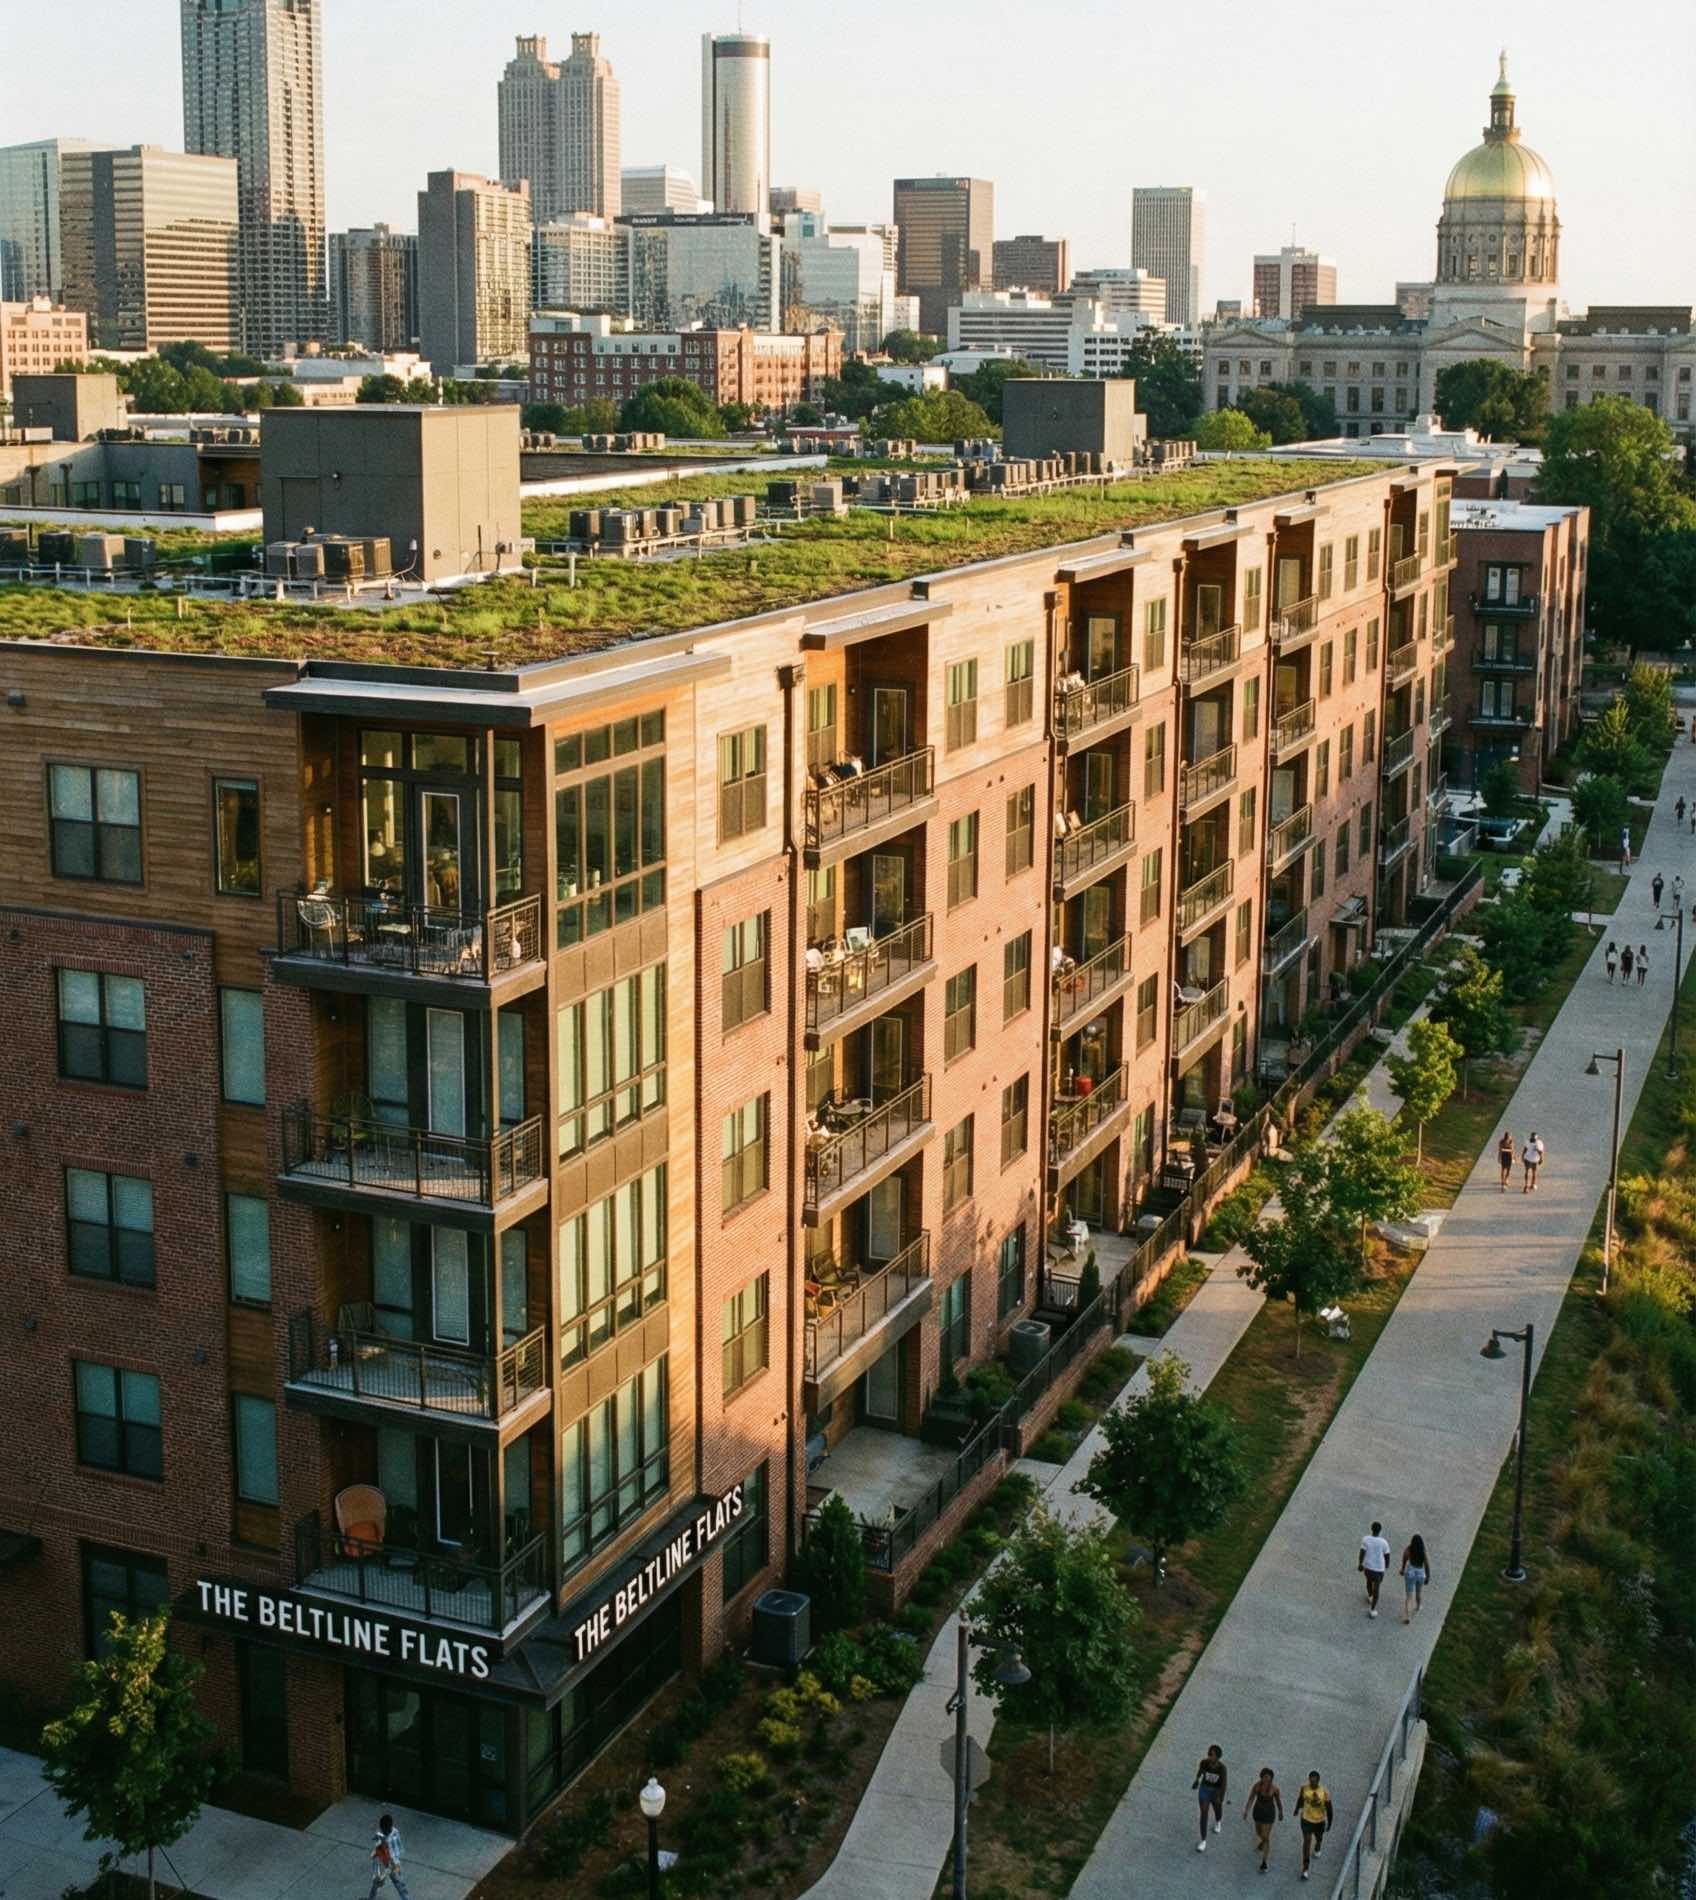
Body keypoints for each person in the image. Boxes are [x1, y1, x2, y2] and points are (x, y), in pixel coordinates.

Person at [1244, 1767, 1283, 1874]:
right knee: (1258, 1832)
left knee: (1266, 1837)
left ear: (1271, 1778)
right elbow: (1251, 1798)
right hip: (1258, 1812)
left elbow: (1278, 1801)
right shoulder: (1257, 1786)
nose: (1266, 1779)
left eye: (1268, 1777)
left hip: (1269, 1814)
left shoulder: (1274, 1789)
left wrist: (1280, 1812)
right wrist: (1247, 1810)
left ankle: (1264, 1862)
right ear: (1261, 1777)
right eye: (1264, 1777)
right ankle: (1262, 1841)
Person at [1296, 1772, 1334, 1881]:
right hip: (1306, 1819)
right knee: (1307, 1841)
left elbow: (1330, 1809)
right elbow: (1300, 1799)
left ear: (1318, 1781)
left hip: (1319, 1821)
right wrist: (1297, 1808)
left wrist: (1330, 1823)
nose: (1312, 1783)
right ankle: (1305, 1868)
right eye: (1311, 1780)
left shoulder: (1324, 1793)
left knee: (1318, 1838)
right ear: (1308, 1780)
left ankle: (1318, 1845)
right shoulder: (1304, 1788)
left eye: (1314, 1781)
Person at [1193, 1743, 1228, 1850]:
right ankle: (1203, 1841)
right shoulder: (1204, 1762)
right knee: (1204, 1813)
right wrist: (1197, 1780)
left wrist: (1221, 1797)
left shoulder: (1222, 1768)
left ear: (1217, 1757)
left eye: (1211, 1754)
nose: (1209, 1756)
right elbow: (1200, 1771)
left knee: (1217, 1809)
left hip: (1216, 1791)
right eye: (1208, 1753)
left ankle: (1218, 1821)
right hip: (1204, 1789)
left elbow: (1224, 1784)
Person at [368, 1814, 411, 1900]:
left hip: (393, 1863)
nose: (383, 1830)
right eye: (382, 1829)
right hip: (384, 1864)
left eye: (384, 1829)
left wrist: (396, 1861)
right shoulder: (380, 1835)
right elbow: (378, 1848)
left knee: (399, 1883)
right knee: (378, 1883)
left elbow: (398, 1847)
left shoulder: (394, 1833)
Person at [1359, 1520, 1391, 1617]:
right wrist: (1387, 1565)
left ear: (1371, 1529)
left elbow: (1362, 1553)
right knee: (1377, 1588)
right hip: (1379, 1568)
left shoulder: (1366, 1539)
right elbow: (1387, 1555)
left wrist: (1360, 1564)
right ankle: (1372, 1609)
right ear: (1380, 1530)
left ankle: (1370, 1596)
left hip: (1368, 1567)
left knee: (1368, 1581)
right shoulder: (1384, 1542)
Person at [1401, 1532, 1432, 1623]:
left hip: (1410, 1572)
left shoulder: (1409, 1549)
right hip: (1420, 1573)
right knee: (1418, 1593)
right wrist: (1428, 1577)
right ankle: (1418, 1606)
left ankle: (1407, 1616)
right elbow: (1427, 1565)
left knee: (1409, 1596)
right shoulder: (1423, 1552)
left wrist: (1402, 1569)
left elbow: (1404, 1558)